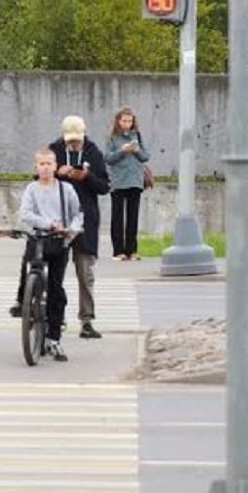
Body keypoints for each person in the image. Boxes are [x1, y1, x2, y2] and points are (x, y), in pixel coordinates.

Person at [16, 147, 82, 362]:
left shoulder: (66, 189)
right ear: (36, 167)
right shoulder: (32, 189)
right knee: (28, 268)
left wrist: (70, 231)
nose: (45, 167)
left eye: (49, 163)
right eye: (41, 164)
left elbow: (77, 214)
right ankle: (23, 302)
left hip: (59, 242)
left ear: (55, 166)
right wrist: (48, 224)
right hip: (38, 239)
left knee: (56, 288)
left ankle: (54, 337)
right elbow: (25, 213)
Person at [50, 115, 110, 339]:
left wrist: (87, 176)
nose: (74, 144)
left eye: (77, 140)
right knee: (56, 271)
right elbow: (38, 176)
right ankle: (56, 316)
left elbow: (105, 186)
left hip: (85, 219)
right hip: (58, 219)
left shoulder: (94, 152)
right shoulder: (53, 150)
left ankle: (87, 320)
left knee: (85, 273)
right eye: (70, 140)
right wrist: (58, 173)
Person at [105, 107, 151, 261]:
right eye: (124, 120)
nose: (127, 124)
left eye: (130, 121)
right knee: (117, 217)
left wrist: (136, 150)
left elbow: (145, 156)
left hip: (135, 181)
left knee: (133, 217)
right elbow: (108, 158)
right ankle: (118, 251)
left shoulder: (137, 135)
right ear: (118, 121)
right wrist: (122, 151)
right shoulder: (112, 137)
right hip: (118, 181)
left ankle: (132, 250)